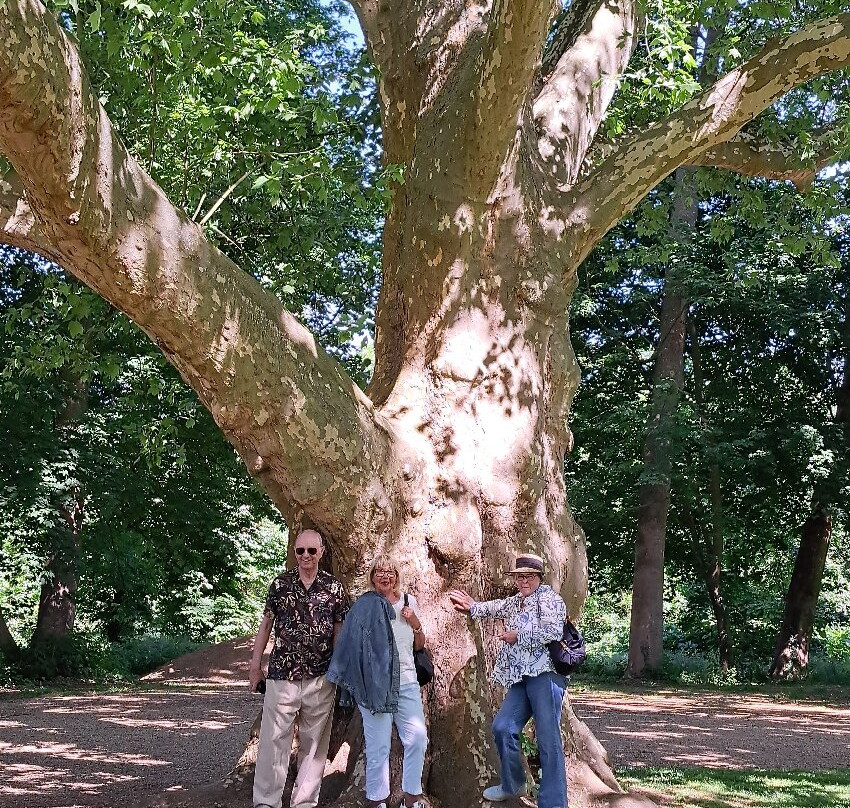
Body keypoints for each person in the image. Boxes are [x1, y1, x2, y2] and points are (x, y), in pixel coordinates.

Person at [448, 553, 568, 808]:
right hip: (521, 678)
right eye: (519, 577)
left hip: (546, 676)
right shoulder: (517, 601)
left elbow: (554, 630)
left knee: (548, 740)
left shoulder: (549, 599)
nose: (523, 581)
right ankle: (513, 784)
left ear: (538, 577)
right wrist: (473, 606)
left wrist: (519, 636)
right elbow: (496, 607)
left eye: (529, 576)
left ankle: (554, 803)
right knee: (503, 727)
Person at [250, 529, 350, 808]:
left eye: (311, 551)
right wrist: (255, 666)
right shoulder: (280, 585)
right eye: (300, 551)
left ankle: (304, 803)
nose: (305, 556)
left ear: (321, 553)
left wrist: (338, 670)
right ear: (294, 552)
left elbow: (339, 631)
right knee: (273, 743)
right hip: (283, 675)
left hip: (321, 676)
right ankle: (266, 803)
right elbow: (266, 626)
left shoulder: (334, 588)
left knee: (315, 745)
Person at [327, 556, 428, 808]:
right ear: (372, 576)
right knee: (378, 747)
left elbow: (419, 645)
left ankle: (412, 798)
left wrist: (415, 623)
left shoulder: (408, 602)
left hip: (406, 681)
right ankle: (377, 802)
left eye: (390, 571)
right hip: (375, 686)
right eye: (380, 571)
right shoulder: (364, 606)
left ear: (397, 576)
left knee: (417, 738)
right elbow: (352, 645)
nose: (386, 576)